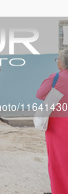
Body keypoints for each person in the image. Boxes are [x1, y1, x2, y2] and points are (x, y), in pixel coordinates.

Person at [36, 49, 68, 194]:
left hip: (58, 126)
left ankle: (59, 190)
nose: (57, 62)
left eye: (58, 59)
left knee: (58, 161)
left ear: (63, 61)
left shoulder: (55, 77)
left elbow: (40, 94)